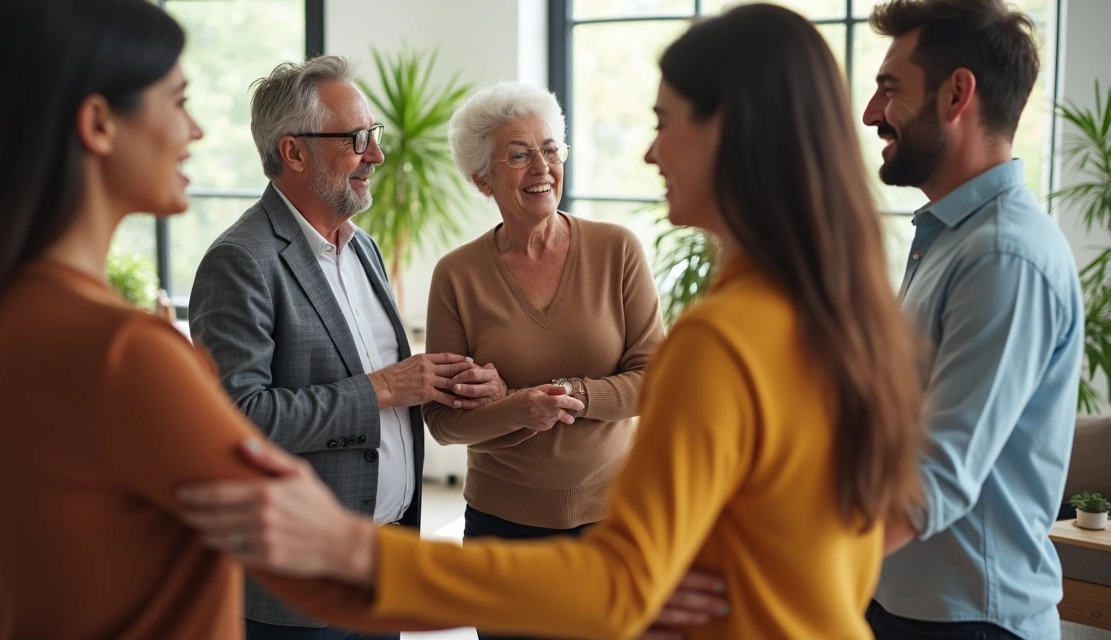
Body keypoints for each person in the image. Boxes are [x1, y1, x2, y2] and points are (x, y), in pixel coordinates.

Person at [179, 5, 926, 638]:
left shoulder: (724, 337)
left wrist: (361, 558)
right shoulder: (842, 316)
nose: (650, 151)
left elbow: (614, 584)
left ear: (732, 135)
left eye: (665, 123)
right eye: (518, 155)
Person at [0, 2, 455, 638]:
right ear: (100, 123)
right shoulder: (127, 351)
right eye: (178, 100)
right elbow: (305, 525)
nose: (196, 132)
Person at [188, 56, 505, 639]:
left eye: (374, 136)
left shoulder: (363, 250)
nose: (376, 155)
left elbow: (389, 386)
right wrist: (385, 389)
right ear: (294, 152)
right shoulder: (241, 261)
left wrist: (449, 383)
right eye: (357, 139)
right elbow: (238, 420)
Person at [860, 1, 1083, 638]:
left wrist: (779, 568)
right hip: (910, 599)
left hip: (967, 620)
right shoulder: (952, 237)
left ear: (958, 93)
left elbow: (937, 474)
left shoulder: (1002, 254)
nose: (872, 114)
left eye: (889, 88)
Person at [421, 81, 665, 640]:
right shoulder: (457, 276)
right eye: (519, 154)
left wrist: (571, 394)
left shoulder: (617, 250)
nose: (542, 166)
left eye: (551, 149)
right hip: (504, 529)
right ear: (483, 178)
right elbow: (444, 423)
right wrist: (519, 410)